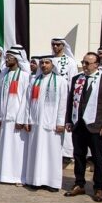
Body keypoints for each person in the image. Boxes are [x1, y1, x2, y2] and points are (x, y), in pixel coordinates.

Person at [64, 52, 102, 202]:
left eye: (88, 63)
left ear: (96, 65)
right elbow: (70, 101)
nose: (84, 65)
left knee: (98, 158)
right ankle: (79, 183)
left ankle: (98, 187)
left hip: (96, 126)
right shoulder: (77, 79)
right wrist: (69, 120)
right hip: (79, 125)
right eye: (83, 62)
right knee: (79, 156)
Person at [20, 56, 68, 191]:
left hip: (52, 125)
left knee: (51, 153)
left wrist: (60, 122)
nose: (44, 65)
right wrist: (27, 120)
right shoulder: (35, 81)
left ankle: (51, 182)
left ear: (53, 65)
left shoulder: (60, 81)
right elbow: (28, 102)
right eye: (42, 63)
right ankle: (34, 180)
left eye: (47, 63)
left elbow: (63, 104)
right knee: (35, 152)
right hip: (35, 124)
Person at [0, 47, 29, 185]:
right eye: (6, 57)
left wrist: (21, 118)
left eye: (10, 57)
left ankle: (18, 177)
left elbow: (25, 100)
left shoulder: (25, 76)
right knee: (5, 148)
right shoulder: (4, 75)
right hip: (4, 118)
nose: (6, 59)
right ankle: (4, 174)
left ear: (17, 59)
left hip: (16, 119)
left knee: (17, 149)